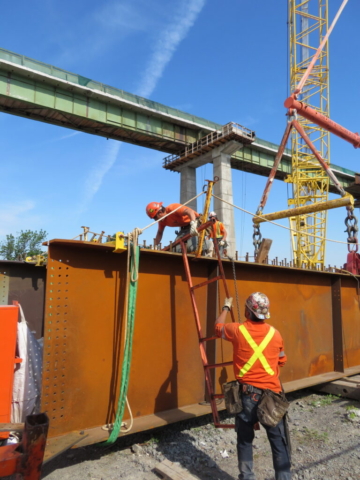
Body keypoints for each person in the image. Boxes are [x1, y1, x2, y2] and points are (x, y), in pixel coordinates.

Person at [214, 293, 291, 480]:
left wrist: (226, 308)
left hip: (247, 396)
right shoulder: (275, 333)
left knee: (245, 440)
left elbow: (217, 328)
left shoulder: (237, 330)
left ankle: (246, 477)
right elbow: (282, 361)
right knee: (279, 442)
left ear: (248, 310)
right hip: (272, 396)